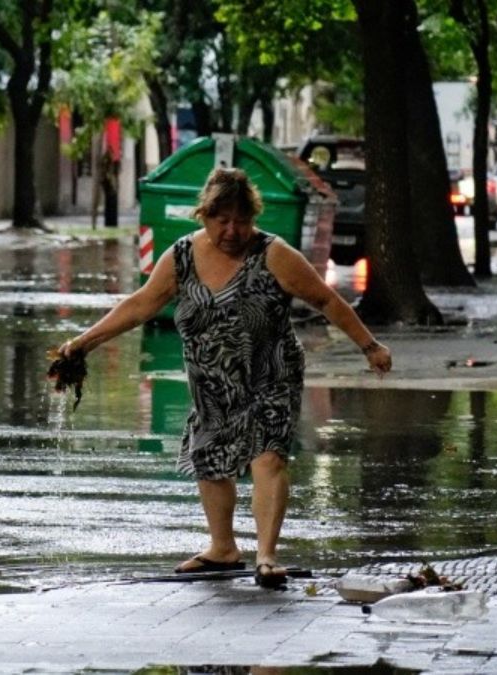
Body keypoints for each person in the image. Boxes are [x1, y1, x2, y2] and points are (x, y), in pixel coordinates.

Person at [57, 167, 392, 588]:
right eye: (222, 220)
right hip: (210, 380)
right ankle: (223, 548)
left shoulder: (274, 254)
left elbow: (326, 298)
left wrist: (369, 346)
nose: (233, 230)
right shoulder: (180, 257)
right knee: (211, 458)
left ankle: (267, 555)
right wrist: (83, 343)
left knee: (267, 454)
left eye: (242, 220)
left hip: (270, 373)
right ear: (204, 215)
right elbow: (141, 304)